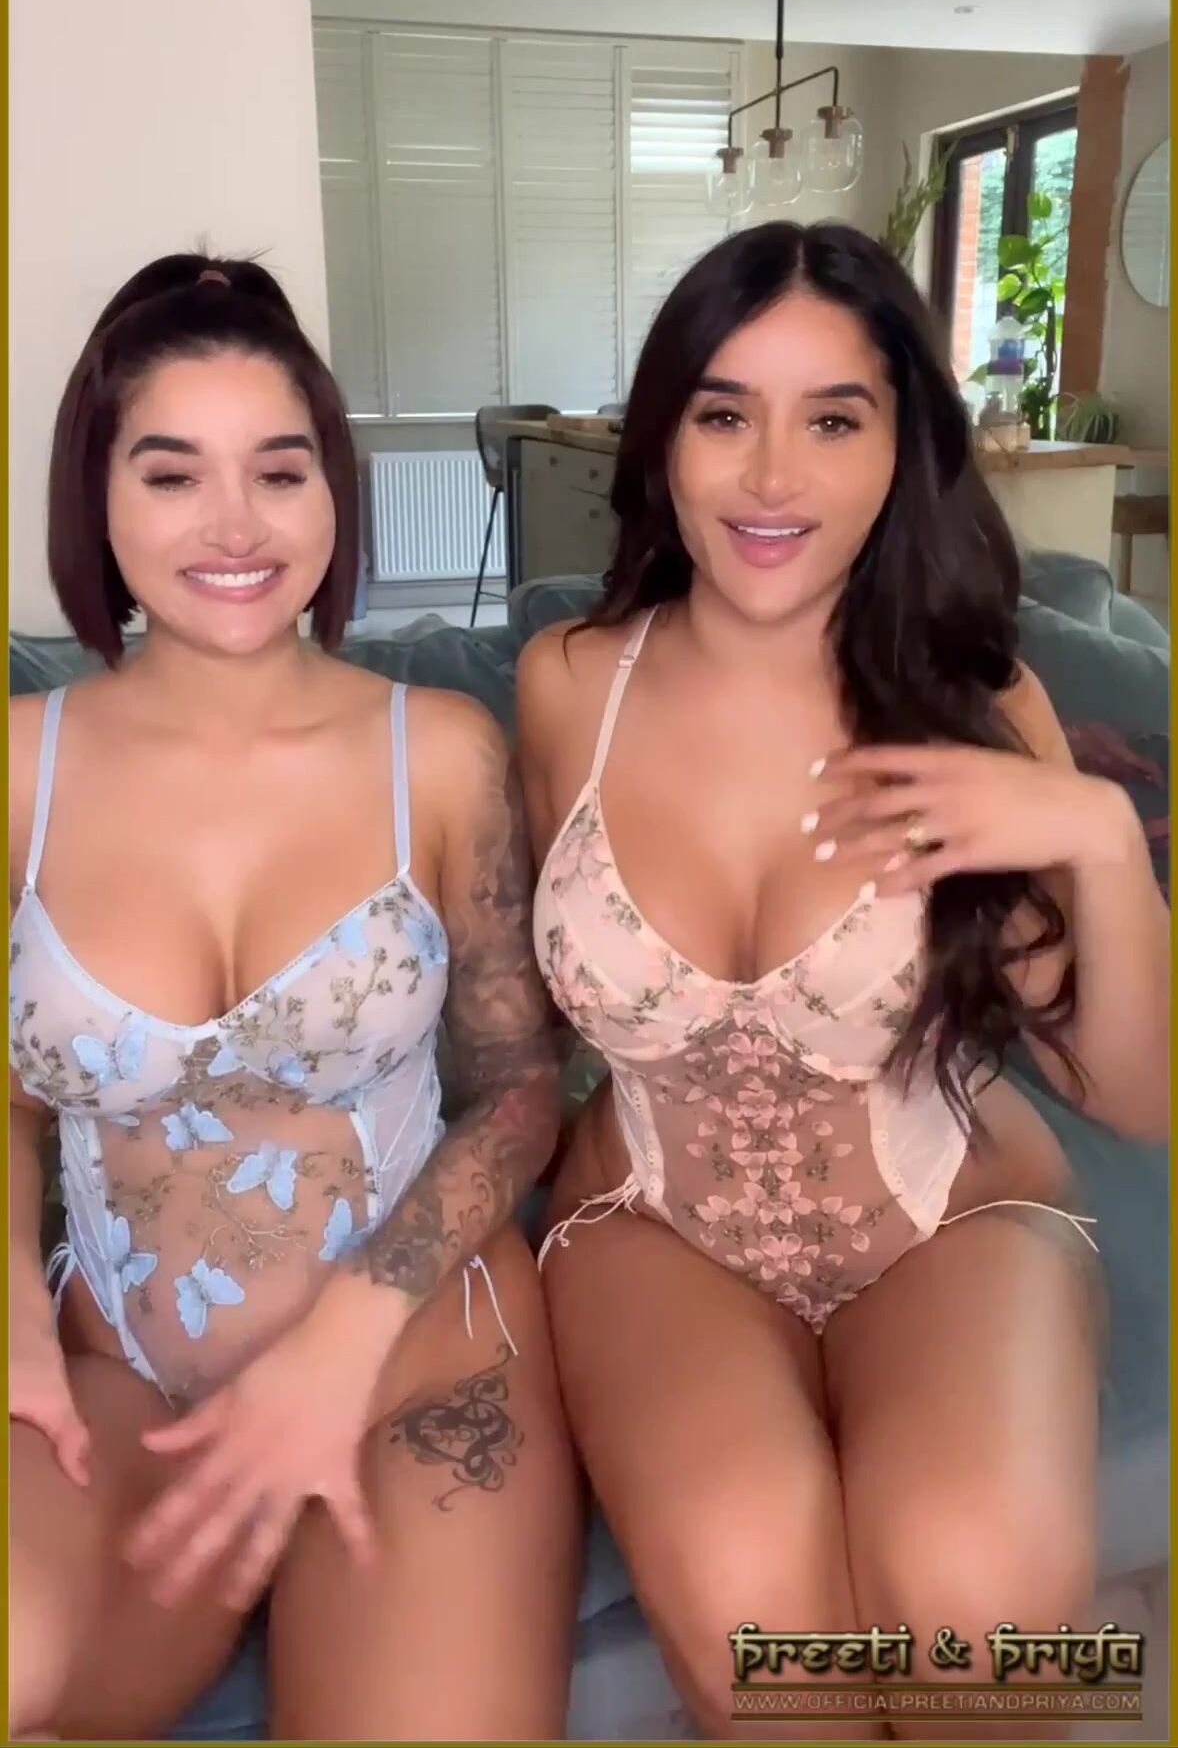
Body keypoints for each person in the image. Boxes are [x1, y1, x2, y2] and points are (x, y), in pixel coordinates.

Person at [517, 222, 1168, 1741]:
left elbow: (1136, 1096)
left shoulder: (974, 699)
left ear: (900, 449)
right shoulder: (568, 683)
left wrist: (1092, 836)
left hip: (949, 1213)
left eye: (832, 418)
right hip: (651, 1223)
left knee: (981, 1628)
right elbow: (522, 1020)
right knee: (770, 1646)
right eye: (723, 412)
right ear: (662, 437)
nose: (769, 477)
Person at [9, 255, 578, 1743]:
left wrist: (338, 1347)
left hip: (411, 1350)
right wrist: (12, 1314)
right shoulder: (17, 769)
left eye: (280, 469)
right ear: (97, 495)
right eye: (172, 473)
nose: (237, 524)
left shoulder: (437, 750)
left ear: (333, 487)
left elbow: (524, 1092)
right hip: (120, 1376)